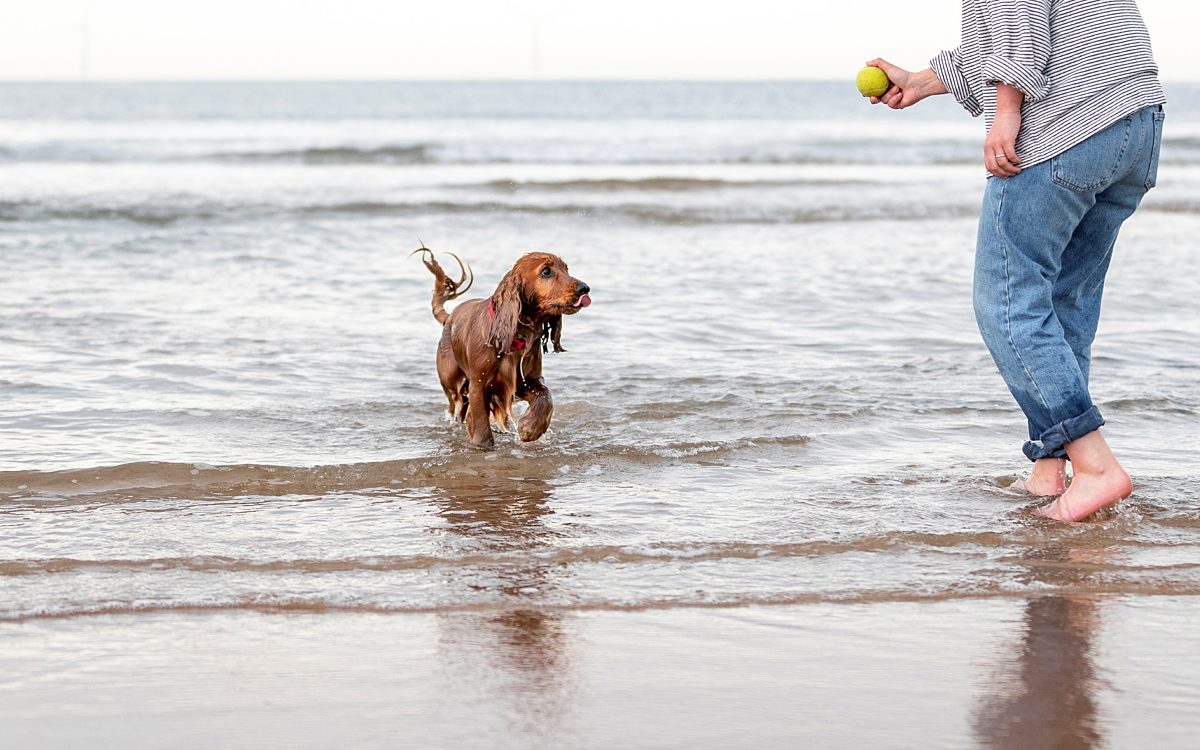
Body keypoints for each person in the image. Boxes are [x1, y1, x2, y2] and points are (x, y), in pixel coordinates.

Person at [867, 0, 1165, 521]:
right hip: (1133, 121)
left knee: (1007, 305)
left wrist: (1006, 113)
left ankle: (1096, 468)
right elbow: (1013, 28)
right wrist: (920, 80)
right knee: (1062, 302)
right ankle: (1052, 469)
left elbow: (1016, 18)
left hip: (1067, 124)